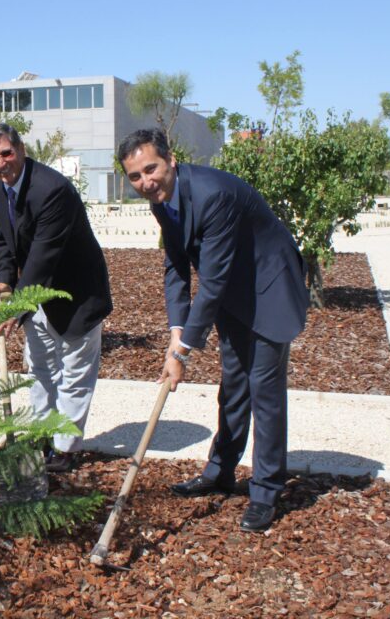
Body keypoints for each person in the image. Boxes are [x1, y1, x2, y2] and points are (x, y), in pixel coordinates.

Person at [117, 128, 309, 532]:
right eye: (135, 176)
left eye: (151, 168)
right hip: (235, 292)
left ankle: (265, 490)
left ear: (170, 160)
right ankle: (220, 471)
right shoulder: (163, 200)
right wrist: (175, 332)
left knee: (265, 393)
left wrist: (183, 352)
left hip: (270, 288)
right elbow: (175, 266)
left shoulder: (212, 194)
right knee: (234, 385)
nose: (145, 181)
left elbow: (213, 280)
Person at [0, 123, 113, 472]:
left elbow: (43, 255)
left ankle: (66, 449)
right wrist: (4, 282)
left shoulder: (53, 190)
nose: (1, 162)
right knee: (40, 369)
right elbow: (2, 241)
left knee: (73, 372)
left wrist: (17, 307)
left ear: (21, 150)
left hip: (77, 291)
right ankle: (42, 437)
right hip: (35, 292)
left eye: (7, 153)